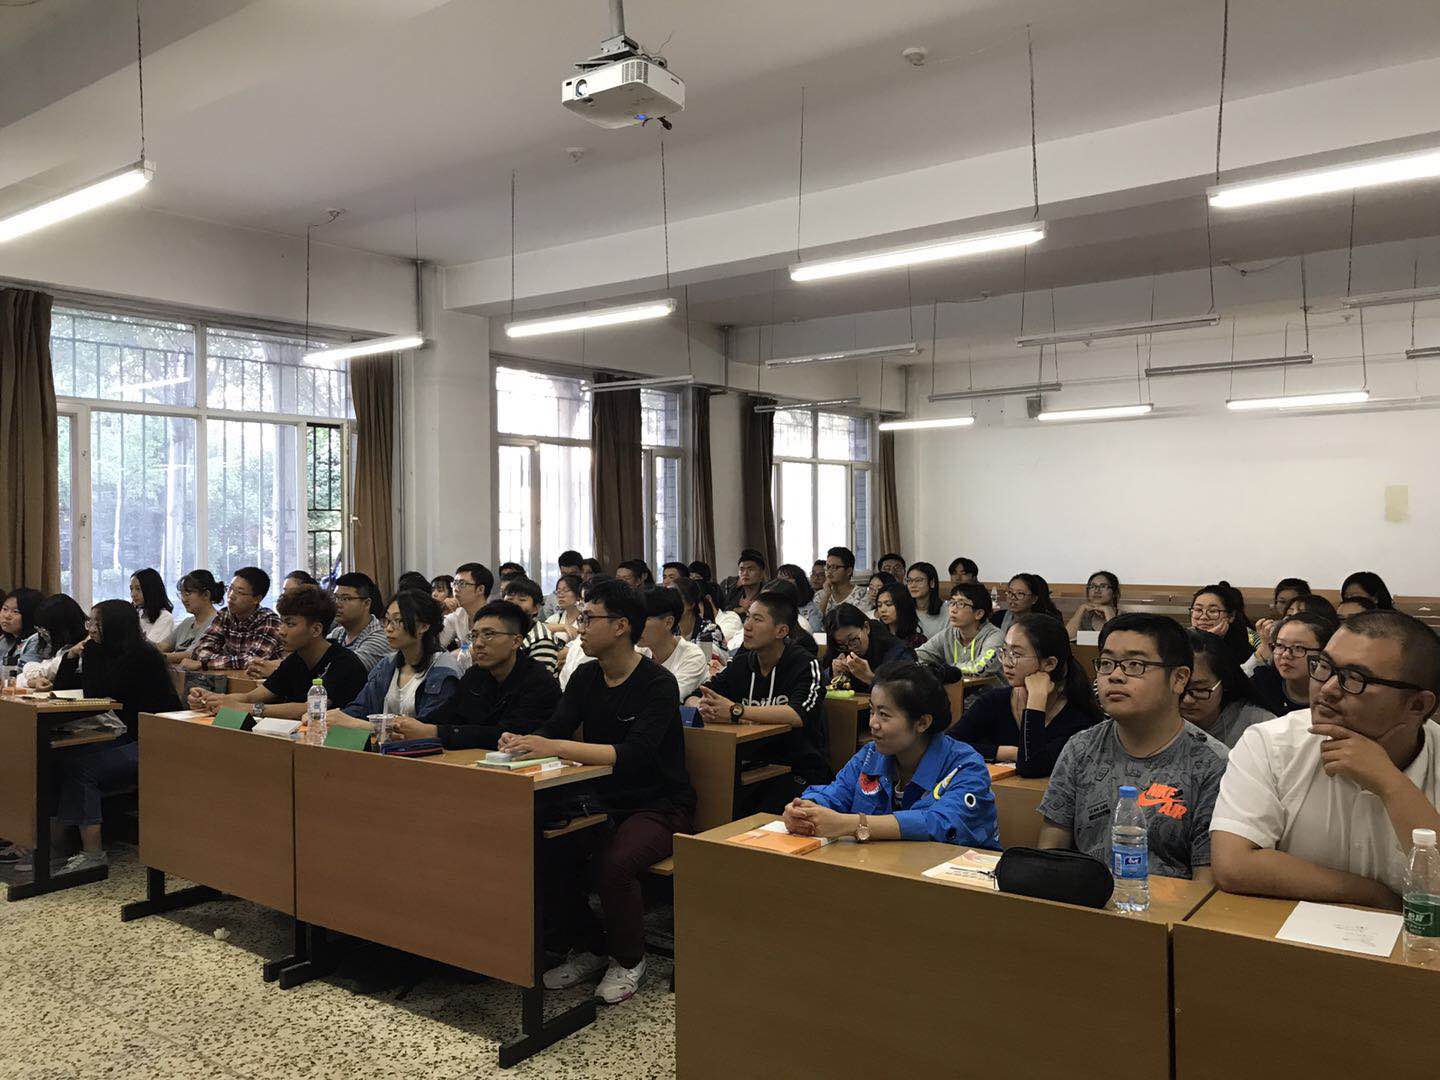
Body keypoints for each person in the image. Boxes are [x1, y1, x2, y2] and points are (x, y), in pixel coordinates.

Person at [500, 578, 695, 1005]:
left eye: (588, 619)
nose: (579, 627)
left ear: (621, 626)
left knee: (613, 863)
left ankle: (629, 959)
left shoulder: (657, 683)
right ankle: (589, 945)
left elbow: (635, 755)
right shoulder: (587, 675)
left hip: (659, 804)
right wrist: (523, 741)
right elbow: (557, 727)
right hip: (600, 798)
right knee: (547, 847)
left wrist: (553, 746)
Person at [1211, 610, 1440, 907]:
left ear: (1417, 705)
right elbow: (1233, 864)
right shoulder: (1272, 742)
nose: (1328, 688)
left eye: (1355, 679)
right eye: (1324, 666)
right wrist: (1373, 895)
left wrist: (1391, 784)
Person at [1038, 614, 1228, 881]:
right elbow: (1050, 855)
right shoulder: (1081, 748)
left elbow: (1205, 883)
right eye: (1107, 663)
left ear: (1179, 679)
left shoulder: (1213, 764)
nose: (1115, 676)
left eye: (1135, 665)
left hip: (1168, 905)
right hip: (1087, 898)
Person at [786, 661, 1000, 847]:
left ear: (922, 723)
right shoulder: (871, 755)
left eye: (884, 715)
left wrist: (853, 824)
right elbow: (835, 793)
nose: (873, 723)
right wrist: (804, 809)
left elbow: (941, 823)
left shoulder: (965, 765)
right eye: (872, 711)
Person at [50, 600, 182, 872]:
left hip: (156, 742)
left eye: (97, 623)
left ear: (115, 626)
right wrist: (71, 657)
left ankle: (92, 852)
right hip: (125, 734)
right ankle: (54, 843)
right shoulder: (106, 651)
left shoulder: (141, 656)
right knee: (59, 755)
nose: (90, 629)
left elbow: (98, 696)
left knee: (82, 766)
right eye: (90, 622)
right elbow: (62, 689)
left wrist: (91, 654)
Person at [692, 589, 828, 791]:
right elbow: (696, 695)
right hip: (748, 764)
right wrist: (704, 707)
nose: (747, 626)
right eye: (747, 617)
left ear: (781, 631)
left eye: (757, 620)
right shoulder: (741, 664)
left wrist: (736, 711)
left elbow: (798, 713)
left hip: (797, 768)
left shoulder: (804, 664)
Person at [393, 600, 561, 748]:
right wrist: (406, 727)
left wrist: (435, 732)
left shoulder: (538, 681)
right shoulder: (475, 675)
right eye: (474, 636)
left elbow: (508, 735)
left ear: (516, 641)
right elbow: (445, 715)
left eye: (489, 634)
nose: (478, 644)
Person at [953, 613, 1104, 777]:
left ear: (1049, 663)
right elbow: (949, 746)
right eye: (1005, 651)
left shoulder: (1078, 718)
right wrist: (1006, 752)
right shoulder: (994, 701)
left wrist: (1036, 700)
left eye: (1016, 654)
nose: (1006, 662)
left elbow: (1032, 766)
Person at [189, 587, 366, 720]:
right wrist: (214, 699)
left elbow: (310, 708)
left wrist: (247, 709)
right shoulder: (296, 659)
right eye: (281, 622)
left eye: (290, 624)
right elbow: (252, 696)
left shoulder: (344, 663)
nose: (281, 631)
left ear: (316, 629)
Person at [335, 591, 461, 729]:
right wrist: (336, 718)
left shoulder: (444, 672)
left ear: (424, 626)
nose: (389, 628)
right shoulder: (387, 665)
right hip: (383, 741)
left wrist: (356, 724)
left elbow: (422, 730)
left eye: (399, 621)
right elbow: (361, 708)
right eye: (387, 620)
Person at [1180, 630, 1277, 748]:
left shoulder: (1260, 727)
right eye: (1178, 687)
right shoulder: (1160, 722)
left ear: (1225, 682)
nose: (1187, 700)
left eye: (1200, 690)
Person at [186, 568, 283, 671]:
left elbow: (254, 662)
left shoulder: (269, 620)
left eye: (240, 592)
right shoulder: (225, 615)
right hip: (234, 677)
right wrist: (223, 661)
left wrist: (205, 664)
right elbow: (199, 651)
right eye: (230, 589)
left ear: (257, 599)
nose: (231, 596)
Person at [1249, 612, 1338, 716]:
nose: (1285, 655)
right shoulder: (1262, 683)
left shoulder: (1336, 694)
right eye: (1280, 645)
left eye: (1298, 648)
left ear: (1324, 653)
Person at [916, 582, 1004, 680]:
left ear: (979, 613)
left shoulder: (995, 636)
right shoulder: (949, 633)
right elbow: (918, 656)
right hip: (957, 689)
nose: (953, 609)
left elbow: (979, 668)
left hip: (991, 689)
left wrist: (944, 670)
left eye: (960, 604)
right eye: (952, 602)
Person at [825, 603, 914, 694]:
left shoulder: (897, 651)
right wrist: (833, 674)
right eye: (842, 644)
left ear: (866, 628)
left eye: (853, 639)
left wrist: (869, 677)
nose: (850, 648)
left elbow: (907, 692)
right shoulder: (840, 650)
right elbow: (820, 683)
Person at [639, 587, 708, 700]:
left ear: (668, 622)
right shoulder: (638, 652)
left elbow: (666, 698)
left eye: (644, 619)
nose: (636, 625)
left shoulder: (692, 657)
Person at [17, 595, 89, 688]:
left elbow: (45, 671)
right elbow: (18, 678)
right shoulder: (64, 647)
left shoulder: (83, 646)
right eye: (39, 629)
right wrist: (31, 682)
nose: (42, 635)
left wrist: (29, 669)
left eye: (45, 631)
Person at [328, 571, 390, 672]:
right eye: (336, 598)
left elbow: (345, 671)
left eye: (345, 599)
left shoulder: (381, 638)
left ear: (366, 603)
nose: (337, 604)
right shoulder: (337, 633)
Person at [502, 577, 562, 675]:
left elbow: (538, 679)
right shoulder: (503, 629)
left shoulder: (542, 639)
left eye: (522, 599)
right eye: (510, 599)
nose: (514, 604)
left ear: (535, 608)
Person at [164, 570, 223, 664]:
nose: (183, 599)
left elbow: (193, 654)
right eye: (181, 594)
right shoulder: (187, 622)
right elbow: (163, 645)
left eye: (188, 593)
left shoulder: (218, 622)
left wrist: (157, 657)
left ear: (206, 595)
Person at [1188, 582, 1253, 665]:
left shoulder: (1244, 652)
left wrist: (1211, 641)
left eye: (1213, 611)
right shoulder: (1181, 641)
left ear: (1231, 616)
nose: (1203, 617)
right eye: (1198, 610)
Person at [438, 562, 493, 654]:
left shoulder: (495, 618)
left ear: (480, 589)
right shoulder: (457, 615)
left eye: (462, 584)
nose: (455, 589)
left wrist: (454, 654)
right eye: (454, 583)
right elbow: (436, 646)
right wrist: (440, 611)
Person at [994, 573, 1062, 637]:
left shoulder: (1045, 625)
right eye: (1010, 592)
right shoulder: (998, 618)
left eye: (1020, 593)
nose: (1013, 597)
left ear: (1034, 599)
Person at [130, 567, 176, 650]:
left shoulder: (165, 617)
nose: (133, 594)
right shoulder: (137, 613)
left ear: (151, 590)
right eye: (131, 589)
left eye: (138, 589)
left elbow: (150, 649)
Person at [1065, 571, 1120, 639]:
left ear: (1114, 593)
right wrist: (1081, 608)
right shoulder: (1084, 616)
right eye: (1093, 586)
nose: (1096, 590)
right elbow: (1067, 638)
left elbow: (1117, 639)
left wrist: (1108, 612)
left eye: (1103, 586)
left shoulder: (1125, 617)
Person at [815, 546, 867, 616]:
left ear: (849, 571)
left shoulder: (862, 595)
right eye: (827, 567)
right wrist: (826, 596)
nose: (829, 571)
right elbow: (815, 621)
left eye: (834, 567)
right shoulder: (819, 595)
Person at [874, 580, 926, 650]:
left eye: (889, 604)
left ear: (903, 606)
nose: (882, 610)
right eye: (879, 605)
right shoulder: (877, 638)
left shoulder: (917, 641)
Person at [904, 562, 947, 638]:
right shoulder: (904, 610)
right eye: (909, 580)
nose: (913, 585)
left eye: (918, 580)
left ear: (932, 583)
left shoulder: (947, 611)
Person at [4, 588, 44, 668]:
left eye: (15, 612)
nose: (7, 616)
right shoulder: (5, 638)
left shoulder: (37, 641)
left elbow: (23, 672)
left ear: (29, 615)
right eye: (5, 609)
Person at [775, 563, 820, 632]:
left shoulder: (811, 609)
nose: (780, 584)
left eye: (786, 579)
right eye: (779, 580)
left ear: (799, 582)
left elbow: (815, 632)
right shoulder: (774, 605)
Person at [546, 573, 584, 642]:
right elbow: (540, 628)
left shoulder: (586, 619)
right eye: (558, 591)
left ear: (578, 594)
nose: (560, 595)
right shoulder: (558, 617)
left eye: (566, 590)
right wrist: (564, 627)